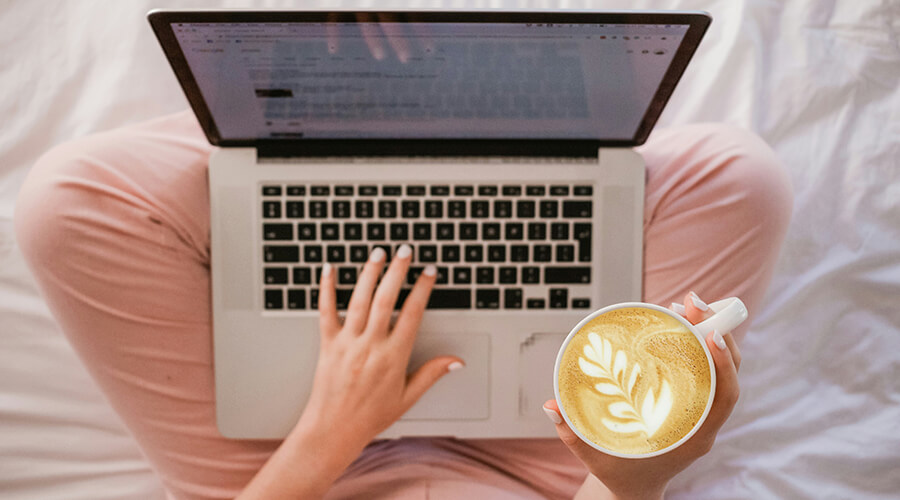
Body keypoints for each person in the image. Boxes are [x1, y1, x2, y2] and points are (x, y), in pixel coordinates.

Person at [14, 110, 792, 499]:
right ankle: (468, 121)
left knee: (68, 203)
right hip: (548, 480)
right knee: (738, 178)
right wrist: (629, 479)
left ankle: (330, 118)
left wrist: (329, 432)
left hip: (291, 472)